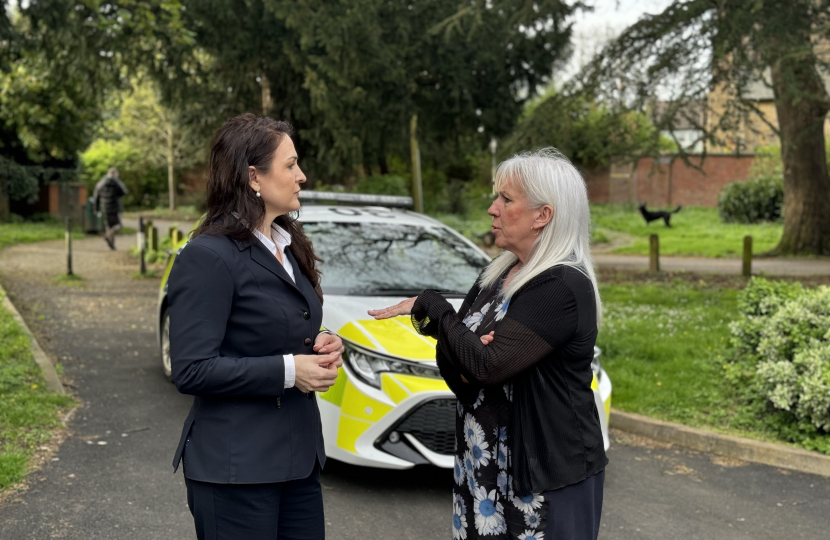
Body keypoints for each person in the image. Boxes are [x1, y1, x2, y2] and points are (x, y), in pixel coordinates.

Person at [369, 148, 607, 540]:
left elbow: (485, 366)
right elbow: (461, 373)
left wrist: (435, 310)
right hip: (483, 467)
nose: (492, 209)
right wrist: (460, 342)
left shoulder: (561, 285)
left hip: (542, 477)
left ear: (543, 215)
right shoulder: (495, 275)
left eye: (506, 199)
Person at [167, 113, 344, 540]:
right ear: (253, 177)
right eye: (290, 165)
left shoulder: (288, 244)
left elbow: (281, 327)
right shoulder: (208, 256)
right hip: (236, 470)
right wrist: (290, 370)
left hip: (299, 462)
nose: (301, 176)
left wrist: (320, 343)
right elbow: (191, 368)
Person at [92, 167, 128, 250]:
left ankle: (111, 244)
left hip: (105, 207)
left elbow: (96, 197)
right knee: (118, 225)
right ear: (115, 174)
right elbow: (124, 192)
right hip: (115, 207)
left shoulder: (101, 183)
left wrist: (96, 208)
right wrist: (118, 181)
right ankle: (108, 236)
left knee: (109, 226)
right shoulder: (116, 183)